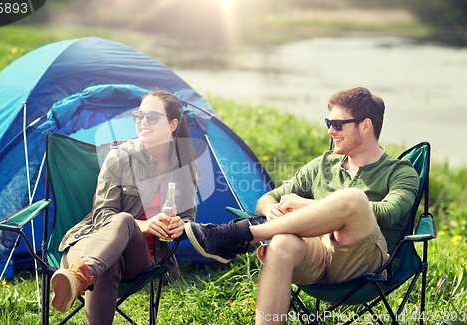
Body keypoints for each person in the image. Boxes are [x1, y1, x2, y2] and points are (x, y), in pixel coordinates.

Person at [185, 87, 419, 324]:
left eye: (338, 124)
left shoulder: (400, 172)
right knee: (283, 243)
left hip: (363, 267)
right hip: (316, 258)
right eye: (329, 122)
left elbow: (390, 213)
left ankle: (243, 234)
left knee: (354, 199)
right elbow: (266, 198)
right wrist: (269, 209)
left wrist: (306, 204)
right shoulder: (323, 165)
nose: (330, 130)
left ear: (366, 126)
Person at [51, 90, 199, 325]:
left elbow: (188, 218)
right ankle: (80, 274)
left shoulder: (185, 165)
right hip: (88, 245)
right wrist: (144, 224)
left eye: (151, 117)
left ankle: (81, 277)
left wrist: (183, 226)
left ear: (172, 124)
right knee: (117, 237)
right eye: (138, 115)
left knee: (124, 222)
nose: (142, 122)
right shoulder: (120, 157)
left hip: (140, 259)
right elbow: (102, 215)